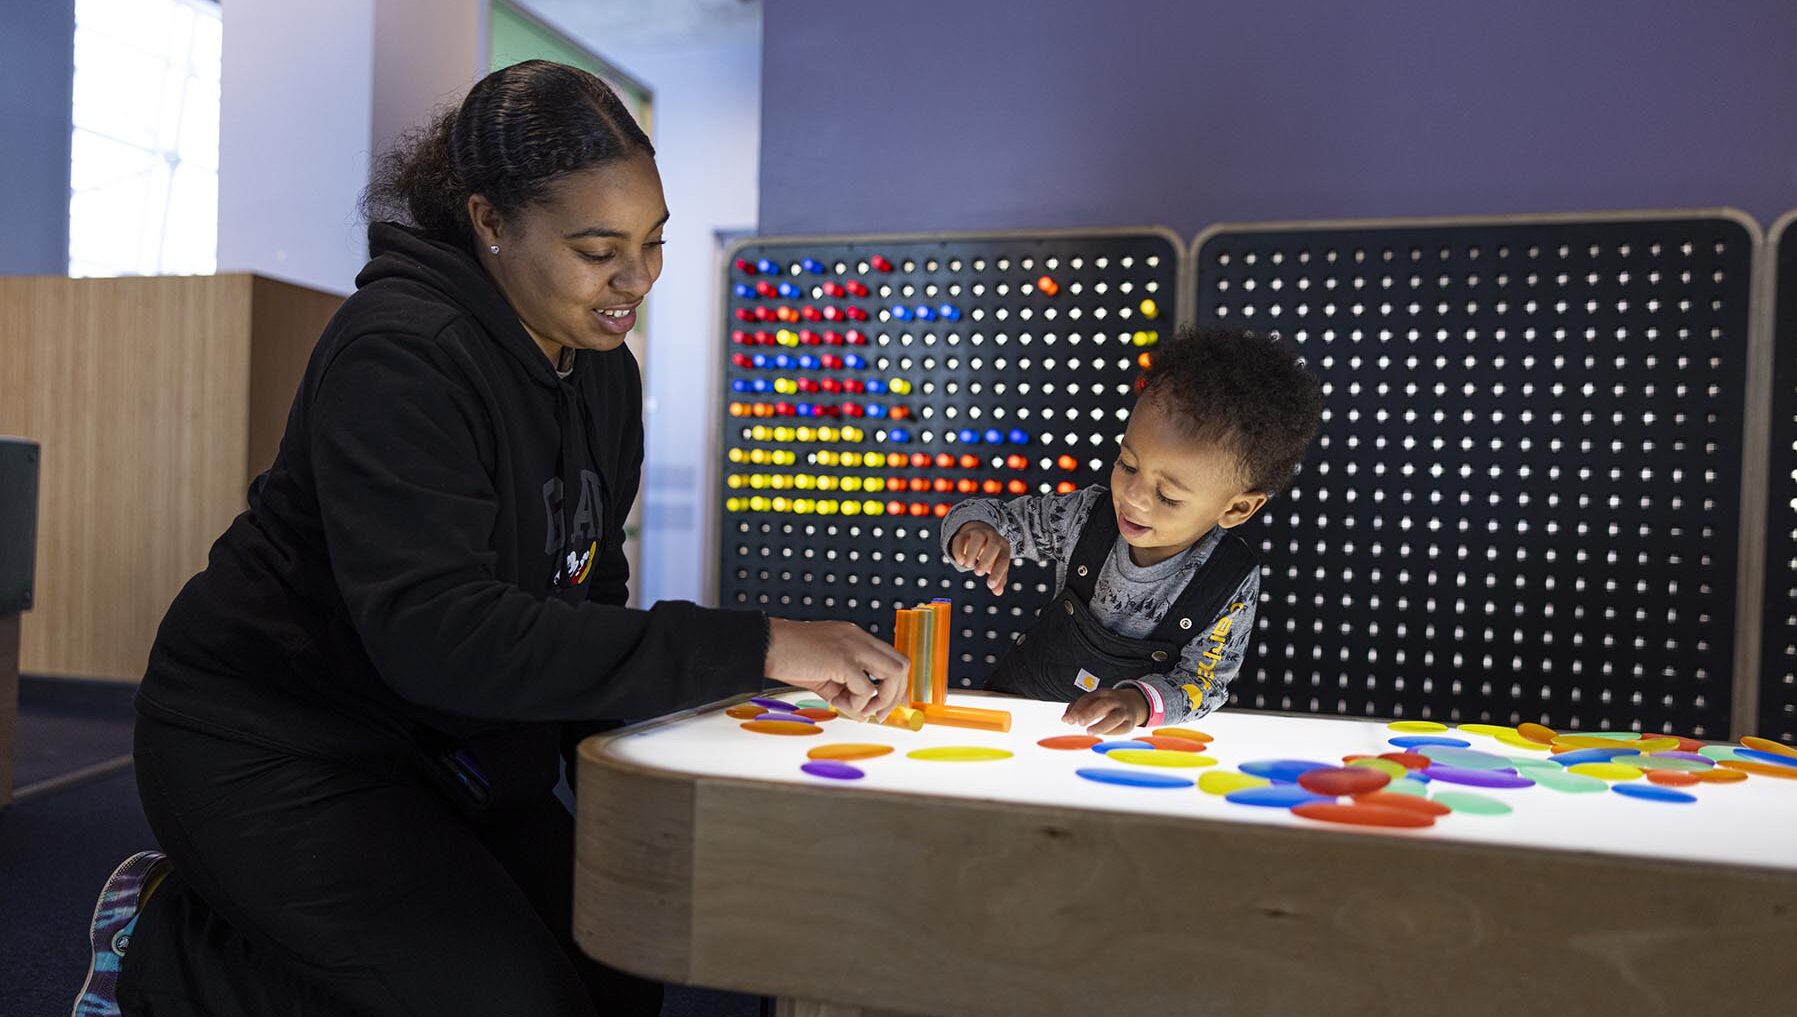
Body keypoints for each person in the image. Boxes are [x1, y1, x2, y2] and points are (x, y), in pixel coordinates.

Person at [72, 60, 908, 1017]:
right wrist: (755, 645)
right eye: (600, 249)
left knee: (622, 956)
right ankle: (166, 945)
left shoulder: (601, 371)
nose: (636, 280)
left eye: (653, 242)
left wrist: (645, 804)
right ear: (489, 222)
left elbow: (586, 593)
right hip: (273, 743)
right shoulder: (400, 353)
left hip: (440, 747)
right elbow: (445, 635)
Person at [943, 325, 1323, 734]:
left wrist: (1139, 702)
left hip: (1123, 748)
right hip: (1019, 719)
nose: (1134, 497)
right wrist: (978, 530)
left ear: (1237, 508)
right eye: (1127, 464)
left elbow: (1204, 683)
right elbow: (991, 514)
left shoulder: (1228, 580)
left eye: (1168, 496)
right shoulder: (1085, 516)